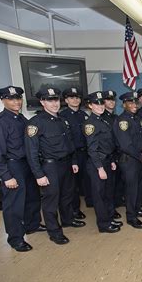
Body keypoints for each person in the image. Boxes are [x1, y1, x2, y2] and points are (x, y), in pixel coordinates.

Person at [0, 86, 45, 252]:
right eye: (11, 99)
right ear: (3, 100)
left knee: (32, 198)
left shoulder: (22, 120)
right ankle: (15, 238)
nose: (16, 102)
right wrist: (6, 176)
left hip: (27, 165)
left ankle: (32, 225)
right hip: (13, 166)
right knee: (14, 204)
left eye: (18, 98)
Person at [25, 87, 85, 245]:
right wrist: (39, 175)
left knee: (67, 195)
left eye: (56, 100)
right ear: (42, 102)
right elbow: (31, 152)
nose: (54, 104)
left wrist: (73, 162)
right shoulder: (35, 123)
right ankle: (54, 231)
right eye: (50, 100)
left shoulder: (62, 120)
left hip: (66, 164)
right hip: (49, 167)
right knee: (51, 200)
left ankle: (67, 220)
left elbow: (70, 143)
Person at [83, 91, 122, 233]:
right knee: (99, 195)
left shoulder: (103, 120)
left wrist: (111, 160)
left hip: (107, 160)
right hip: (97, 164)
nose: (100, 106)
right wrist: (99, 168)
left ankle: (110, 217)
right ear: (90, 105)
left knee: (108, 193)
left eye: (101, 103)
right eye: (96, 104)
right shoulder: (90, 124)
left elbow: (108, 144)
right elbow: (92, 149)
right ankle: (103, 224)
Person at [112, 91, 142, 229]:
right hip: (129, 161)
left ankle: (137, 209)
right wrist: (141, 157)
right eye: (131, 102)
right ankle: (131, 217)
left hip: (139, 159)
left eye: (136, 102)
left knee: (139, 187)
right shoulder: (122, 121)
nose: (135, 105)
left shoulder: (137, 119)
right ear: (124, 105)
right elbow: (126, 145)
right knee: (131, 189)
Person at [59, 87, 90, 220]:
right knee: (72, 186)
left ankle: (90, 202)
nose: (75, 100)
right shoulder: (62, 117)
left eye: (77, 97)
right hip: (73, 155)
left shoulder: (84, 115)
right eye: (71, 97)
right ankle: (74, 210)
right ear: (66, 100)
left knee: (87, 180)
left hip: (86, 153)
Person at [101, 90, 123, 217]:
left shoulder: (116, 118)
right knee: (107, 187)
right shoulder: (101, 118)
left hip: (117, 154)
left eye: (113, 100)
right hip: (106, 156)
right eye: (108, 100)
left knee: (117, 181)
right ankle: (109, 210)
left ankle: (117, 202)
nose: (111, 102)